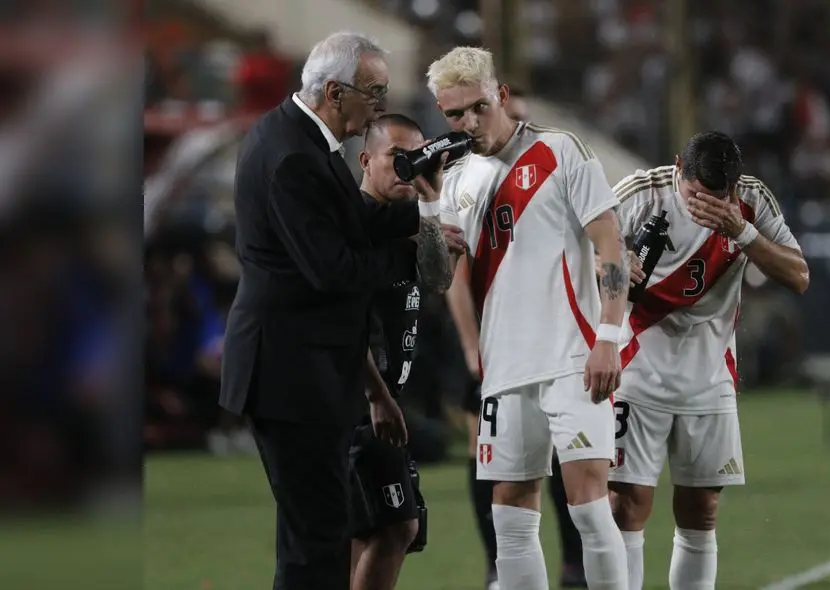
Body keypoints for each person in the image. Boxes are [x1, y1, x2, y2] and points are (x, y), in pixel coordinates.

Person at [219, 32, 455, 590]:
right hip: (290, 374)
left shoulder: (297, 138)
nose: (378, 105)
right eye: (373, 93)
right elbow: (333, 271)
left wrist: (420, 218)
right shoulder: (293, 157)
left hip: (301, 371)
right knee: (316, 543)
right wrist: (403, 253)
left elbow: (352, 226)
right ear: (333, 91)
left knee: (319, 535)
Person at [429, 46, 631, 590]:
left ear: (500, 95)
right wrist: (426, 210)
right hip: (505, 368)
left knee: (588, 505)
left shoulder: (560, 150)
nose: (468, 123)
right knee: (511, 513)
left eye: (477, 107)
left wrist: (609, 335)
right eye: (454, 115)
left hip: (573, 358)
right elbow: (443, 278)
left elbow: (608, 240)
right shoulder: (455, 182)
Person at [607, 131, 810, 590]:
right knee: (625, 503)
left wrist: (741, 230)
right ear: (679, 169)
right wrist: (614, 258)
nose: (707, 207)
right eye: (697, 195)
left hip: (710, 370)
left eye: (720, 197)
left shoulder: (752, 200)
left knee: (702, 510)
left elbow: (799, 275)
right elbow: (580, 243)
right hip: (638, 363)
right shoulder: (642, 192)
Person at [447, 85, 586, 590]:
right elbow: (457, 279)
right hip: (494, 350)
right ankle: (496, 566)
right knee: (489, 464)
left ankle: (574, 564)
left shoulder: (555, 168)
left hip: (553, 348)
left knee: (564, 462)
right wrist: (470, 347)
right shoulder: (469, 182)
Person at [348, 113, 467, 590]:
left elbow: (438, 279)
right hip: (359, 400)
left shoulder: (408, 220)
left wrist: (433, 195)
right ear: (365, 159)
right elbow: (342, 325)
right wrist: (376, 395)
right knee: (396, 525)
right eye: (395, 157)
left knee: (374, 528)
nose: (406, 167)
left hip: (386, 397)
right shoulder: (355, 223)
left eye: (414, 155)